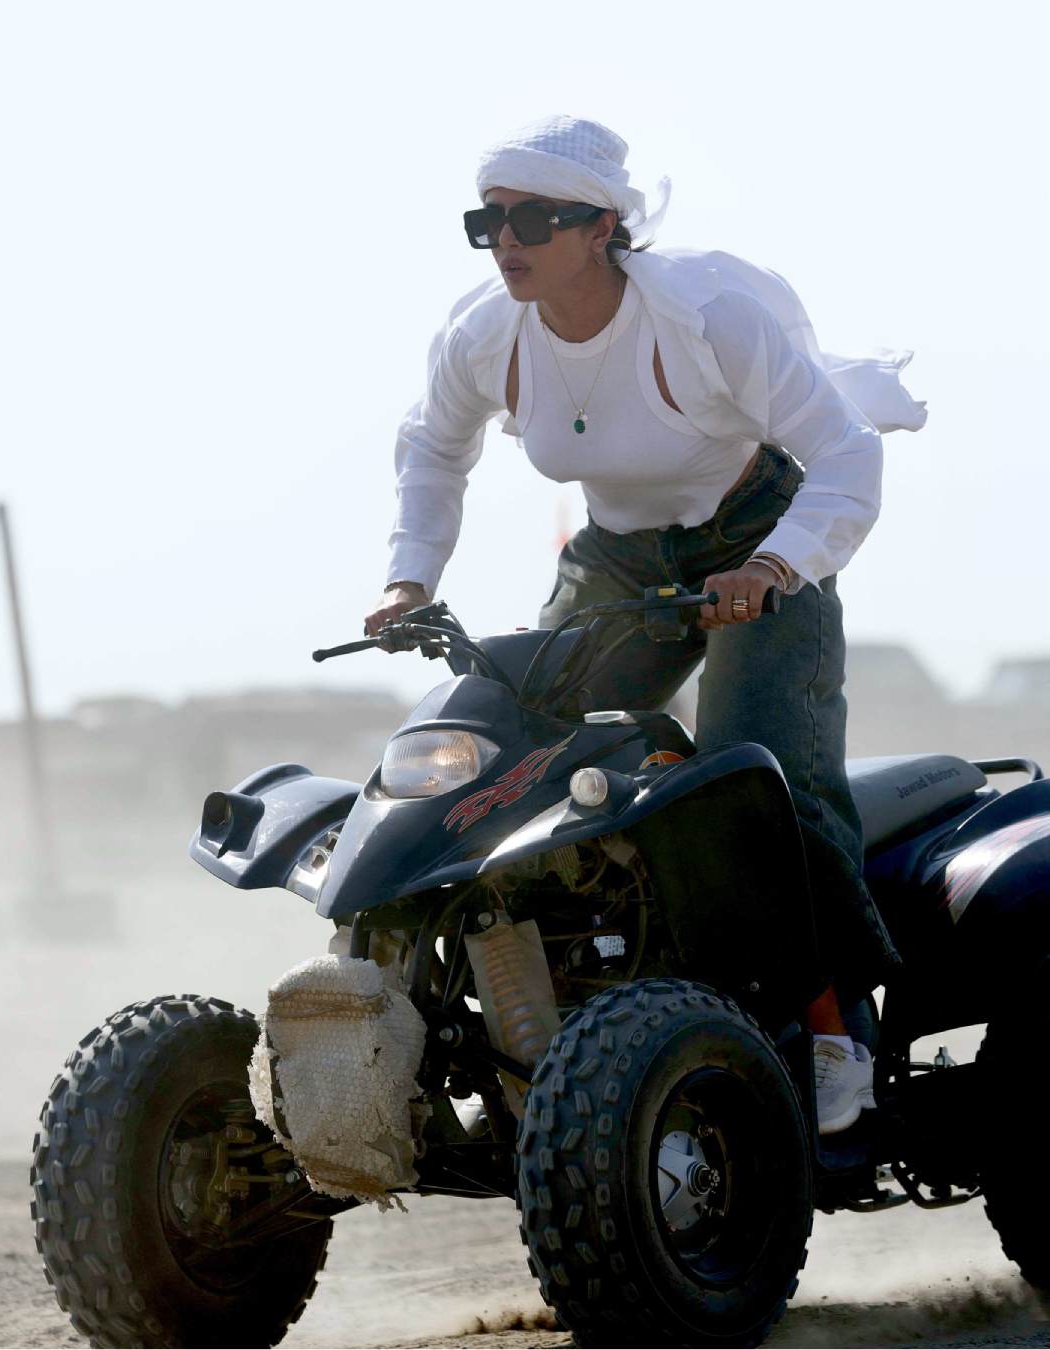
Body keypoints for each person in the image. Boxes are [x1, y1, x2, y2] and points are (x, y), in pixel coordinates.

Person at [364, 116, 926, 1134]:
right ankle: (540, 1022)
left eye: (535, 217)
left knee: (762, 780)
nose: (508, 239)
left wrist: (770, 566)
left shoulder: (706, 317)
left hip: (757, 537)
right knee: (517, 757)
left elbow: (845, 458)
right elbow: (431, 450)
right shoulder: (486, 335)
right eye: (489, 221)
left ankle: (838, 1030)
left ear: (603, 229)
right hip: (619, 558)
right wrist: (409, 583)